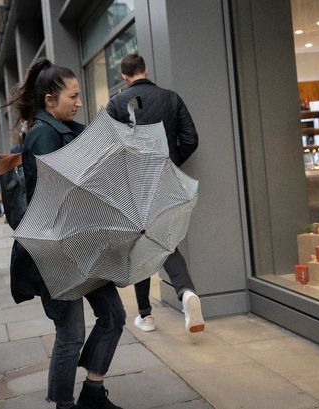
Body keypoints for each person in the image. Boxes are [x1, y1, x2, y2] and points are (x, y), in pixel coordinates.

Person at [9, 58, 126, 409]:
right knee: (71, 333)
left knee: (113, 317)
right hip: (57, 253)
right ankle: (64, 403)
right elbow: (62, 193)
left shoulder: (69, 129)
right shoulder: (44, 135)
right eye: (73, 96)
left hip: (83, 246)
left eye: (78, 96)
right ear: (49, 100)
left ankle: (92, 391)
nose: (78, 102)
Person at [106, 53, 204, 335]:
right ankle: (185, 293)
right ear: (145, 70)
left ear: (124, 76)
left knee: (142, 244)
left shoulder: (116, 104)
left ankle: (147, 314)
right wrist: (172, 163)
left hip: (135, 183)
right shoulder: (171, 98)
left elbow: (109, 148)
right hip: (167, 180)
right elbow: (190, 139)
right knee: (164, 240)